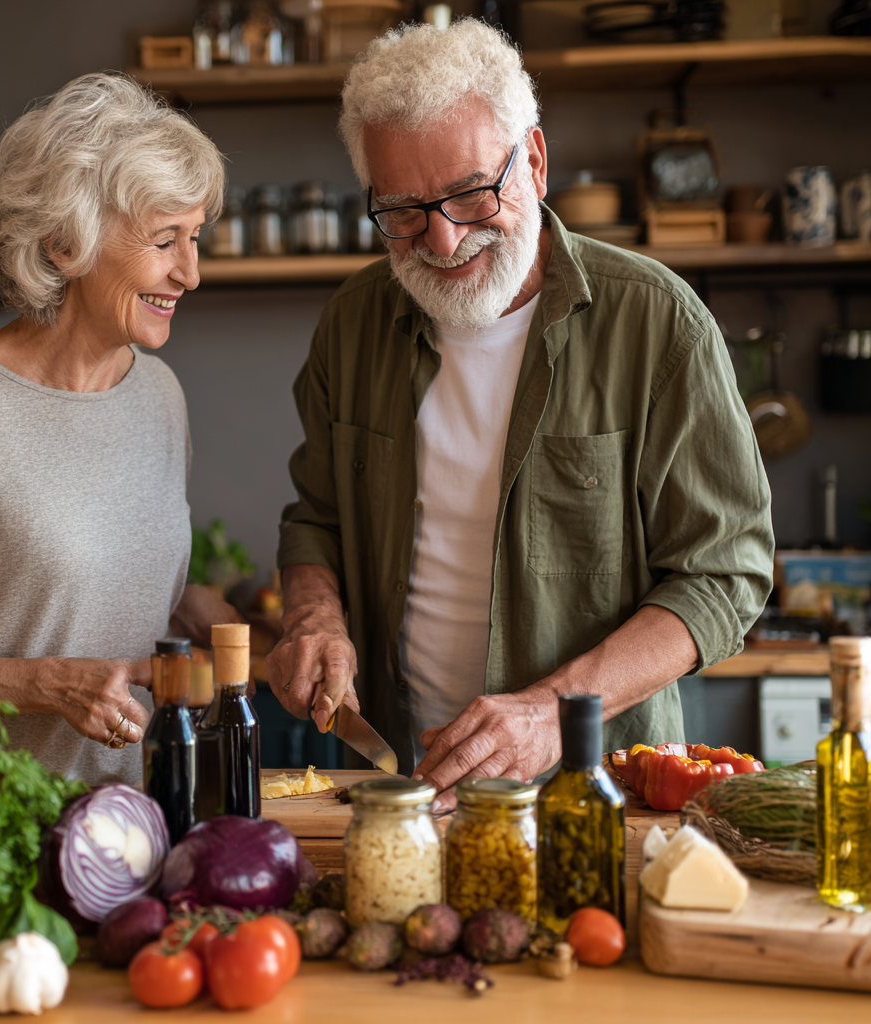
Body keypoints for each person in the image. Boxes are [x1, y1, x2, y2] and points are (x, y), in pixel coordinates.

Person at [268, 20, 775, 807]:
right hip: (404, 787)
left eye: (472, 193)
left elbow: (722, 575)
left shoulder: (657, 323)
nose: (442, 238)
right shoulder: (353, 321)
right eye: (402, 209)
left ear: (533, 161)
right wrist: (314, 616)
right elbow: (316, 517)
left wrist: (550, 713)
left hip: (598, 788)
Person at [0, 73, 241, 784]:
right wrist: (46, 684)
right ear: (66, 244)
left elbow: (87, 585)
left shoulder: (160, 395)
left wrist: (199, 609)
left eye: (194, 238)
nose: (189, 273)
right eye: (165, 240)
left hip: (130, 830)